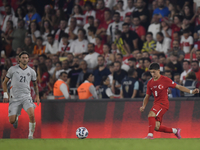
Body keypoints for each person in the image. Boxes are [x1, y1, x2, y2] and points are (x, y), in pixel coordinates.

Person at [140, 62, 199, 139]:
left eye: (154, 72)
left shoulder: (165, 79)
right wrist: (143, 106)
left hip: (163, 104)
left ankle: (150, 136)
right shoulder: (150, 83)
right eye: (151, 72)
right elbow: (147, 96)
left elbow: (178, 86)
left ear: (158, 70)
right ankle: (175, 131)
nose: (152, 74)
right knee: (156, 127)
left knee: (151, 114)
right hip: (156, 103)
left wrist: (191, 91)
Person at [2, 51, 40, 139]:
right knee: (11, 121)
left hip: (26, 96)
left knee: (32, 115)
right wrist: (5, 94)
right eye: (23, 58)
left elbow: (35, 84)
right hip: (14, 97)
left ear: (28, 59)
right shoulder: (12, 69)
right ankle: (15, 119)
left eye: (26, 58)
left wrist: (37, 95)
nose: (24, 59)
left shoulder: (31, 71)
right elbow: (4, 82)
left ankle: (30, 135)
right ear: (19, 59)